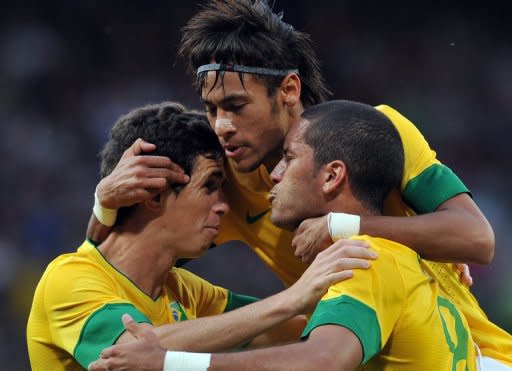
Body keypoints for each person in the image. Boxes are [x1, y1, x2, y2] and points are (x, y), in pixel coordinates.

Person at [86, 0, 511, 363]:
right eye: (212, 109)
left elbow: (476, 239)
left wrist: (345, 228)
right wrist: (104, 204)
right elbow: (120, 260)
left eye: (236, 105)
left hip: (470, 353)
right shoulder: (223, 181)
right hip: (358, 346)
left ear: (288, 89)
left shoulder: (375, 133)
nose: (221, 126)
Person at [26, 102, 373, 370]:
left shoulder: (186, 291)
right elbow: (135, 351)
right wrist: (293, 297)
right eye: (210, 186)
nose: (224, 207)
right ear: (153, 194)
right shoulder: (68, 279)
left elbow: (288, 327)